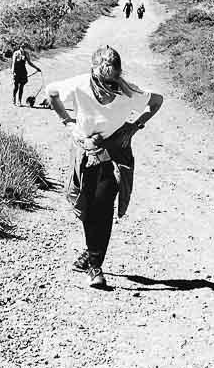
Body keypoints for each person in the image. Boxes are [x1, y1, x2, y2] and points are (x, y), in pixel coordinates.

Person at [45, 45, 164, 290]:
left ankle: (95, 265)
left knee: (103, 204)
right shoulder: (79, 85)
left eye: (113, 81)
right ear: (93, 73)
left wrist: (134, 126)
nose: (109, 88)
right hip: (85, 151)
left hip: (113, 154)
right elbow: (51, 93)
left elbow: (157, 101)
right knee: (84, 203)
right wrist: (68, 124)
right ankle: (92, 251)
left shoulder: (127, 91)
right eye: (104, 82)